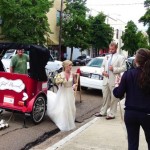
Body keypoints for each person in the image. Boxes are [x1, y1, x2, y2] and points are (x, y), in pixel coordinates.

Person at [113, 48, 150, 150]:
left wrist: (116, 85)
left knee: (132, 144)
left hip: (131, 113)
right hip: (147, 114)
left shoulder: (128, 73)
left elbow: (118, 93)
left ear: (136, 60)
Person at [95, 42, 126, 119]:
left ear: (116, 48)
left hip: (114, 80)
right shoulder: (107, 57)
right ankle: (103, 112)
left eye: (112, 49)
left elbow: (124, 68)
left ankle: (112, 114)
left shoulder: (120, 57)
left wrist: (114, 69)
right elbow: (102, 66)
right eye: (110, 49)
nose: (111, 50)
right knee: (105, 96)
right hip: (105, 80)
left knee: (114, 98)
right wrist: (103, 72)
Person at [47, 60, 77, 131]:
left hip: (70, 92)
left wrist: (74, 84)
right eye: (69, 65)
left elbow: (75, 83)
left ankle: (70, 120)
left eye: (71, 65)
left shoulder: (72, 74)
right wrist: (59, 82)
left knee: (71, 107)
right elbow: (57, 84)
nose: (71, 67)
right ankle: (64, 122)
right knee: (63, 107)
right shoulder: (60, 75)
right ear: (66, 66)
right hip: (62, 92)